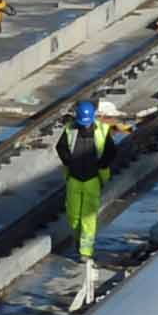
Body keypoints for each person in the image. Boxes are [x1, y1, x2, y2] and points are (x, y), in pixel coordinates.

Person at [57, 95, 121, 265]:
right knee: (73, 216)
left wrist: (102, 165)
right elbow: (61, 148)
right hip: (74, 179)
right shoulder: (71, 129)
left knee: (88, 217)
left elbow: (111, 151)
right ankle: (78, 242)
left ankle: (85, 252)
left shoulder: (102, 130)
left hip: (93, 179)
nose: (84, 126)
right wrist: (69, 162)